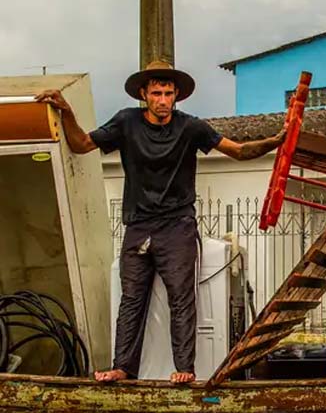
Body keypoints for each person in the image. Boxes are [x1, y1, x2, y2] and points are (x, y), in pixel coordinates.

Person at [36, 60, 285, 384]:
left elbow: (236, 151)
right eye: (156, 93)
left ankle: (185, 369)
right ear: (144, 94)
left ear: (177, 95)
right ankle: (123, 367)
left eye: (168, 93)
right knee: (131, 300)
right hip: (138, 226)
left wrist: (274, 142)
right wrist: (66, 110)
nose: (163, 100)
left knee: (182, 299)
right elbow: (81, 145)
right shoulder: (126, 122)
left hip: (178, 226)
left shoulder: (191, 127)